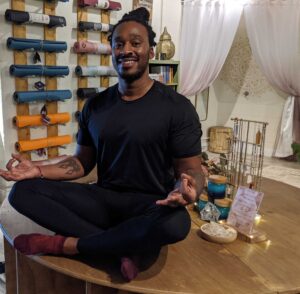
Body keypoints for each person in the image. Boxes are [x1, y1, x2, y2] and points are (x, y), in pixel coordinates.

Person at [0, 7, 204, 281]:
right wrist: (37, 170)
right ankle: (121, 247)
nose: (126, 49)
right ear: (112, 52)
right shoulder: (95, 106)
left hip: (151, 204)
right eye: (119, 44)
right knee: (21, 194)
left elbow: (192, 169)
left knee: (178, 223)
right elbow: (81, 163)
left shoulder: (177, 108)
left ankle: (70, 245)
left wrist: (189, 188)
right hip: (103, 200)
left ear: (151, 52)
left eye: (135, 42)